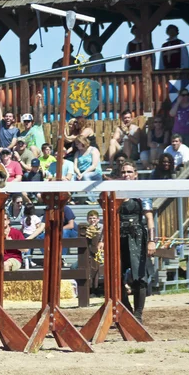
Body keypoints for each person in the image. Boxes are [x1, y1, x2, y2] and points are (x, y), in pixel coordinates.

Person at [98, 161, 155, 323]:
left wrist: (152, 241)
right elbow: (107, 218)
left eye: (129, 172)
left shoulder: (141, 192)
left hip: (137, 236)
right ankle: (126, 311)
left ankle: (138, 314)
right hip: (118, 236)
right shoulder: (115, 192)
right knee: (115, 276)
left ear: (135, 174)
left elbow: (149, 218)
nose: (126, 175)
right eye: (123, 172)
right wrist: (102, 239)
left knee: (139, 276)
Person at [74, 136, 102, 204]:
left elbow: (93, 166)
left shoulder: (93, 150)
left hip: (94, 172)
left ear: (82, 142)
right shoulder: (77, 153)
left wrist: (82, 174)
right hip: (81, 173)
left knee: (86, 176)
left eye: (77, 143)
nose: (76, 145)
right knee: (72, 177)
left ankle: (92, 199)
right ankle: (74, 198)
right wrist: (78, 173)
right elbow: (75, 166)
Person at [0, 86, 19, 153]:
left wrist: (5, 149)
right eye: (6, 116)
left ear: (13, 119)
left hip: (9, 153)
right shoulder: (2, 124)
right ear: (4, 118)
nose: (8, 118)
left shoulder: (16, 130)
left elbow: (13, 143)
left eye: (10, 117)